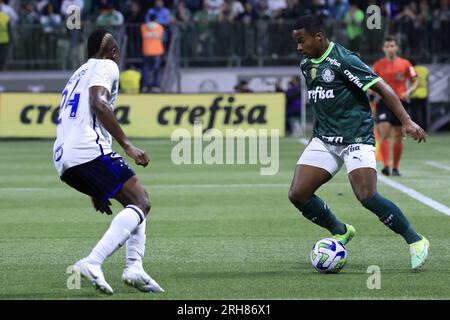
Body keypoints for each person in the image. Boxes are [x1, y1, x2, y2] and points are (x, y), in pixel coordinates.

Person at [289, 15, 429, 271]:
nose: (298, 47)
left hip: (356, 137)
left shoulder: (344, 60)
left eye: (301, 41)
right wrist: (315, 139)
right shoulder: (306, 64)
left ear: (318, 37)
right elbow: (321, 103)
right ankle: (340, 231)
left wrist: (407, 121)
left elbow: (382, 87)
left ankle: (416, 240)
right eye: (296, 43)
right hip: (325, 138)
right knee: (298, 194)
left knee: (366, 195)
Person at [52, 29, 164, 294]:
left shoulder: (78, 73)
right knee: (141, 201)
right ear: (113, 52)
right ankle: (93, 262)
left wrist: (96, 188)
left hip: (64, 158)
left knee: (134, 199)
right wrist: (127, 145)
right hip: (88, 149)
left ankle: (135, 268)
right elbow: (99, 103)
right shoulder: (107, 66)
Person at [373, 36, 419, 176]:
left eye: (392, 45)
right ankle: (386, 166)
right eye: (387, 46)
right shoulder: (378, 65)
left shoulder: (405, 64)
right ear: (383, 49)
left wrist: (408, 91)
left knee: (398, 136)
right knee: (384, 132)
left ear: (397, 47)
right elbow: (370, 83)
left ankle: (395, 167)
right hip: (383, 103)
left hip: (400, 103)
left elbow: (415, 80)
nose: (390, 48)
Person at [141, 13, 164, 92]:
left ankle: (145, 85)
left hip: (147, 50)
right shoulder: (160, 27)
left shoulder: (143, 27)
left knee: (146, 69)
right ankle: (156, 86)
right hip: (157, 51)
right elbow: (161, 37)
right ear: (156, 19)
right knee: (156, 69)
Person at [409, 62, 429, 131]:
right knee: (424, 113)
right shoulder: (425, 69)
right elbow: (427, 79)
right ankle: (425, 129)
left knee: (414, 113)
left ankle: (416, 129)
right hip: (424, 93)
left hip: (414, 94)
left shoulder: (411, 69)